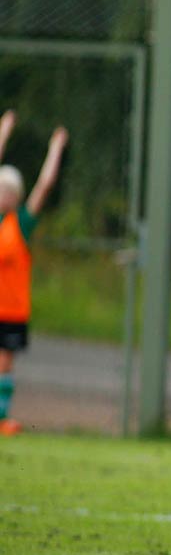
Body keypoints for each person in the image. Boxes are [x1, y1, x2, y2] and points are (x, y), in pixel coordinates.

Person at [0, 112, 67, 435]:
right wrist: (4, 131)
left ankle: (1, 418)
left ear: (16, 196)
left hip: (10, 307)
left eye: (8, 190)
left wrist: (55, 148)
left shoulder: (20, 225)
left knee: (4, 363)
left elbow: (45, 185)